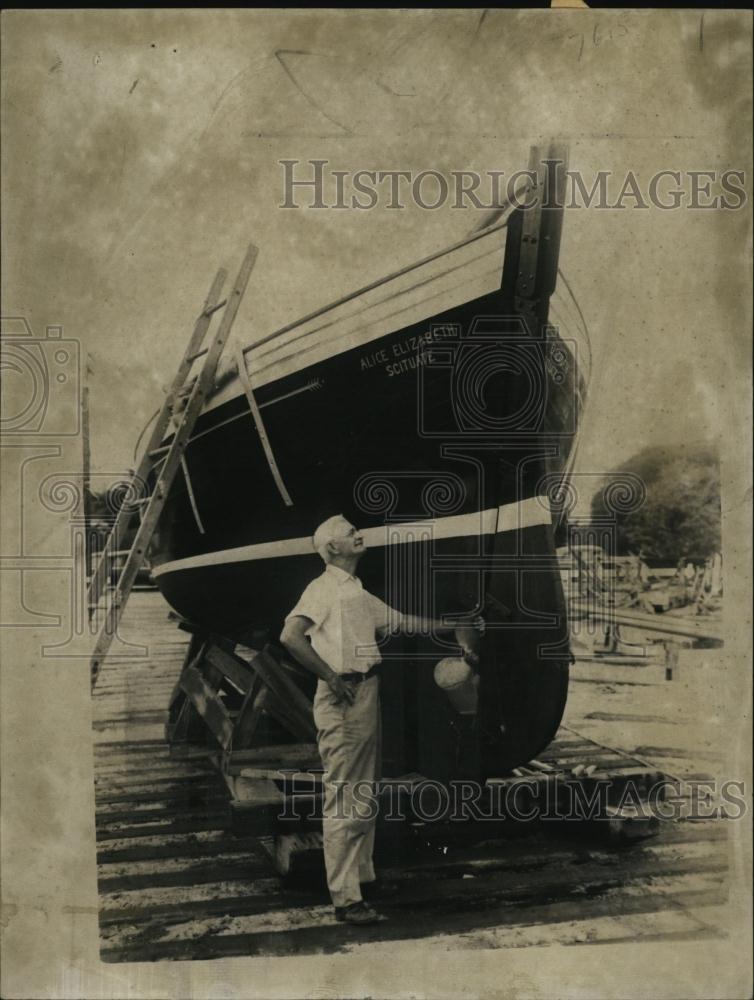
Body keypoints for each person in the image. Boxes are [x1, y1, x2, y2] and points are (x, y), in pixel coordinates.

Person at [280, 514, 481, 926]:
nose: (359, 535)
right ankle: (345, 899)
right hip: (344, 698)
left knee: (364, 790)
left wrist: (455, 624)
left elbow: (403, 623)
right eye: (350, 532)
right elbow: (290, 636)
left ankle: (363, 879)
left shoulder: (354, 590)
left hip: (365, 692)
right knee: (345, 795)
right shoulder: (322, 589)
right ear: (332, 547)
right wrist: (331, 677)